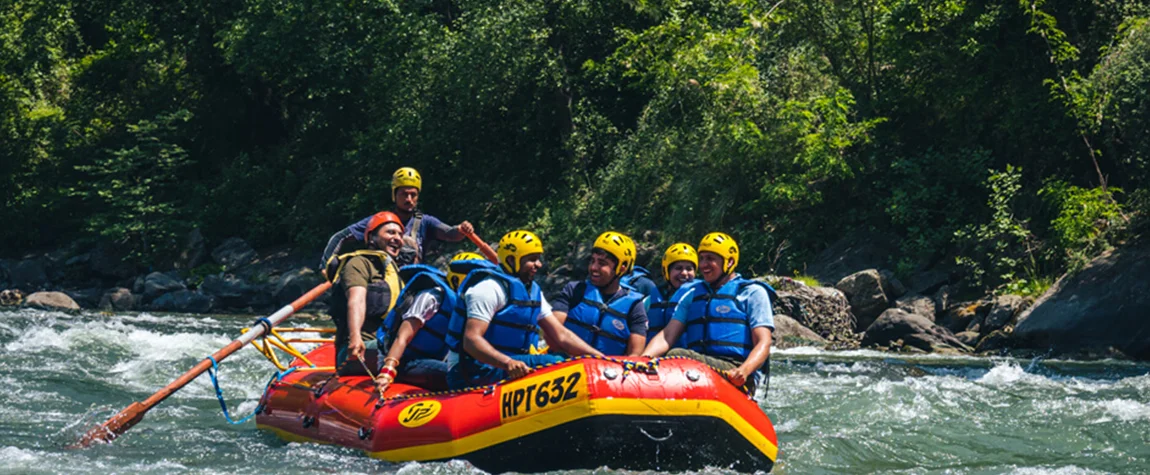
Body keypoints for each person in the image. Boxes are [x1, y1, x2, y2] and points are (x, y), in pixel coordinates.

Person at [445, 230, 604, 389]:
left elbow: (561, 335)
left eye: (538, 259)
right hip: (472, 371)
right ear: (511, 260)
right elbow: (471, 341)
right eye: (532, 260)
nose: (539, 265)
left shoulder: (531, 291)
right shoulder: (488, 289)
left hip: (505, 364)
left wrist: (600, 358)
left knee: (563, 358)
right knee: (555, 362)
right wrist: (508, 363)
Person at [641, 232, 776, 394]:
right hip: (696, 370)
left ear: (729, 262)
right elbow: (667, 335)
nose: (703, 264)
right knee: (671, 356)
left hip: (733, 368)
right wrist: (645, 358)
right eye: (702, 258)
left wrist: (744, 370)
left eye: (710, 258)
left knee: (676, 354)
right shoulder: (692, 295)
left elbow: (764, 342)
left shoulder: (751, 293)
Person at [320, 167, 475, 269]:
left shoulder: (426, 222)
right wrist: (326, 265)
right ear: (394, 195)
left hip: (411, 281)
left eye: (413, 195)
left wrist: (462, 229)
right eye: (403, 194)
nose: (409, 199)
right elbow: (341, 237)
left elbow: (451, 234)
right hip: (382, 280)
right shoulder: (378, 221)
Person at [373, 253, 485, 392]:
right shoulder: (432, 296)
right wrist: (387, 371)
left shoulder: (467, 307)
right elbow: (403, 336)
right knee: (461, 376)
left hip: (428, 361)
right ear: (457, 279)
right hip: (403, 361)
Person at [326, 211, 404, 376]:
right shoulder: (358, 263)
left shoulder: (396, 273)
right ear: (372, 238)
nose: (397, 238)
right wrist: (355, 337)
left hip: (387, 343)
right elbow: (357, 300)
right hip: (358, 349)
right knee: (409, 352)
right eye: (390, 232)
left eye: (400, 234)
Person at [551, 232, 648, 356]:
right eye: (592, 261)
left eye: (602, 263)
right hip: (566, 364)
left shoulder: (635, 307)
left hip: (606, 372)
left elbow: (634, 356)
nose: (593, 267)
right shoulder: (574, 290)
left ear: (621, 268)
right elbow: (552, 332)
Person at [644, 243, 699, 344]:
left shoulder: (698, 298)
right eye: (678, 268)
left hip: (685, 356)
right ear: (666, 271)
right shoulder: (649, 301)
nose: (684, 273)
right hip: (655, 355)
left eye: (689, 268)